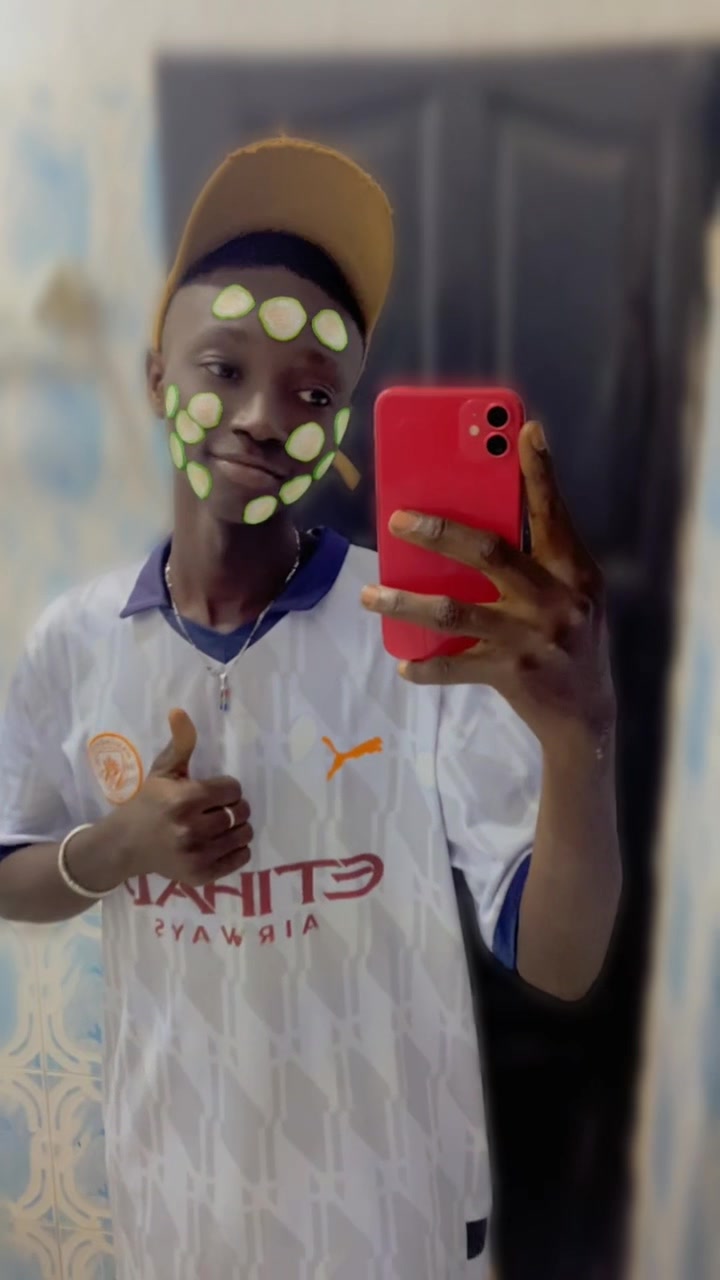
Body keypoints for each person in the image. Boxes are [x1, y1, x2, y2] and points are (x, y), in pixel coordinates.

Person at [0, 138, 621, 1279]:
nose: (262, 415)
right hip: (177, 1217)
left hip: (392, 1225)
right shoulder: (74, 643)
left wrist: (581, 738)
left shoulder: (429, 637)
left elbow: (562, 960)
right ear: (155, 377)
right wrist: (116, 849)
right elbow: (7, 870)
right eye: (223, 366)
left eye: (314, 390)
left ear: (340, 428)